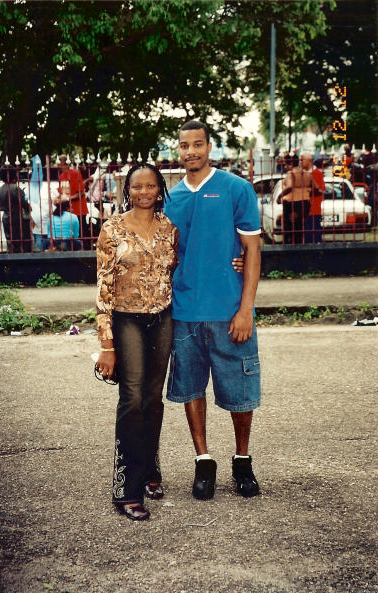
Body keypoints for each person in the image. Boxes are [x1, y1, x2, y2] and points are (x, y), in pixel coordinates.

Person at [164, 120, 262, 501]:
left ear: (209, 147)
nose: (191, 151)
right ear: (178, 150)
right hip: (184, 311)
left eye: (197, 144)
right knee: (191, 388)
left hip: (229, 311)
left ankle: (242, 461)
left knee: (240, 391)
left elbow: (252, 251)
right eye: (184, 145)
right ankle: (203, 462)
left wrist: (246, 309)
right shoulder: (171, 199)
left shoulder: (236, 188)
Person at [96, 163, 179, 521]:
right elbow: (103, 287)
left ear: (160, 189)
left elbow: (175, 271)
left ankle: (148, 469)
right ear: (127, 191)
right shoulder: (112, 228)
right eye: (136, 187)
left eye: (150, 186)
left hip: (162, 319)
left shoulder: (169, 228)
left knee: (153, 399)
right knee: (131, 398)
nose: (144, 192)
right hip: (126, 319)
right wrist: (106, 344)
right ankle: (126, 488)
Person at [278, 154, 318, 244]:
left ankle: (289, 246)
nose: (285, 167)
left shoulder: (291, 173)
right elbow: (316, 188)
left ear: (290, 164)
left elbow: (290, 187)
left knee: (289, 229)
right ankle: (299, 245)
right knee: (300, 227)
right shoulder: (306, 173)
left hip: (292, 204)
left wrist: (280, 196)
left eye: (286, 164)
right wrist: (306, 192)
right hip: (305, 203)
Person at [54, 155, 91, 247]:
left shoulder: (75, 173)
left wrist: (67, 198)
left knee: (80, 233)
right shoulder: (61, 176)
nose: (57, 165)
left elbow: (81, 193)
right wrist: (57, 198)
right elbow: (62, 192)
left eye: (58, 162)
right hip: (68, 211)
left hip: (78, 210)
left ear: (64, 163)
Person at [0, 167, 33, 253]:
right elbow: (23, 203)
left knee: (11, 243)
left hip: (6, 218)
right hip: (17, 219)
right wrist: (29, 208)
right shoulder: (15, 188)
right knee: (24, 243)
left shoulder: (1, 188)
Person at [300, 153, 326, 244]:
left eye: (302, 160)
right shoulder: (302, 173)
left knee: (313, 237)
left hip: (313, 211)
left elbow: (321, 190)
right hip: (303, 210)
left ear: (309, 161)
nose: (300, 162)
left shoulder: (317, 173)